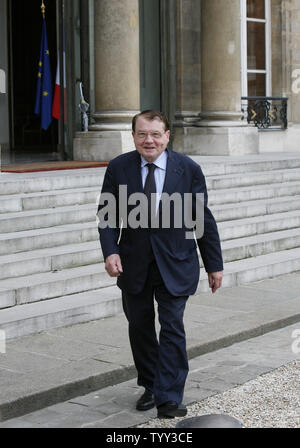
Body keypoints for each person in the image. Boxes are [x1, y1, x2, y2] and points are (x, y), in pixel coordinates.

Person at [97, 110, 223, 419]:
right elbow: (107, 215)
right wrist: (110, 251)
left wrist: (213, 264)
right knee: (139, 327)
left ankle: (169, 396)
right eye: (142, 134)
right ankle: (151, 384)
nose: (149, 140)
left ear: (167, 136)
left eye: (155, 134)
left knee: (171, 327)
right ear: (134, 136)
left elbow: (201, 218)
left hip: (176, 262)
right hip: (134, 264)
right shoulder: (119, 167)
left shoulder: (188, 169)